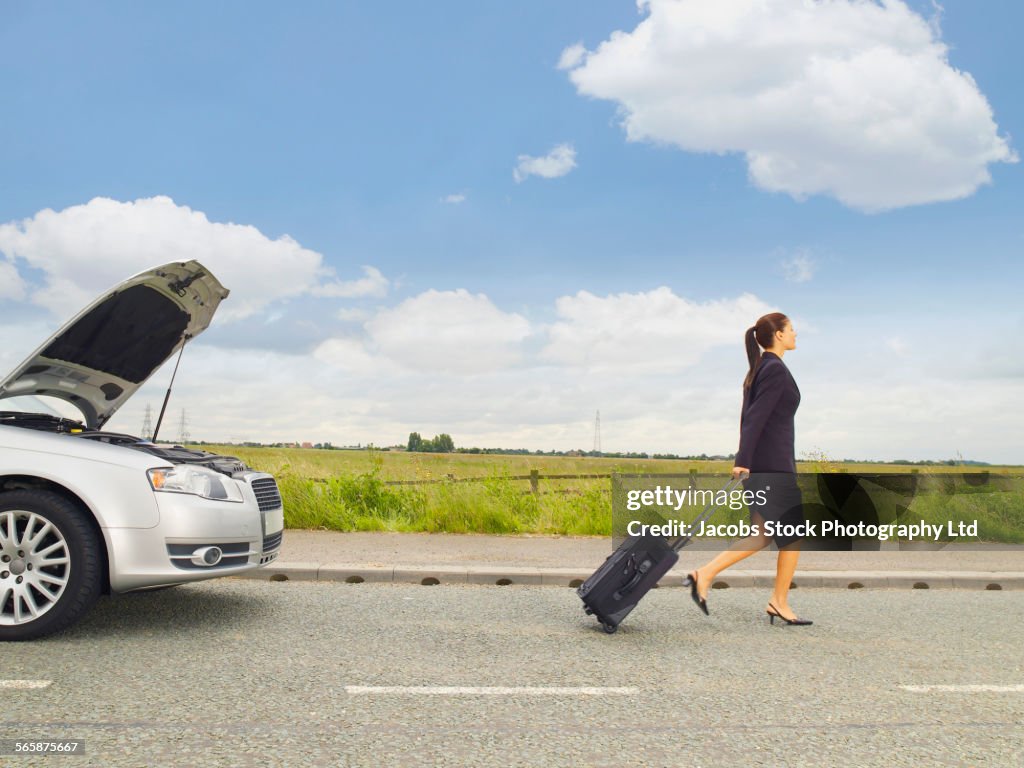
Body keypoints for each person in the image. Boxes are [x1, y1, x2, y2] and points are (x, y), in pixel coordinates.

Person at [685, 312, 812, 626]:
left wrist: (745, 461)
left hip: (766, 466)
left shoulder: (762, 369)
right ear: (779, 335)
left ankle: (705, 574)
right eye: (792, 329)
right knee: (793, 536)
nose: (796, 334)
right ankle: (778, 601)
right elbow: (753, 419)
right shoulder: (774, 370)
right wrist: (743, 460)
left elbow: (750, 416)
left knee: (761, 535)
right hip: (772, 468)